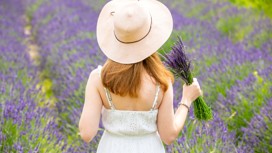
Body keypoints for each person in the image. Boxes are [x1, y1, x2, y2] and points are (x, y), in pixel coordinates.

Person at [78, 0, 202, 152]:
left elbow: (86, 134)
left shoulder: (98, 78)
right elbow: (168, 136)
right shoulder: (161, 81)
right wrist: (186, 100)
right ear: (151, 36)